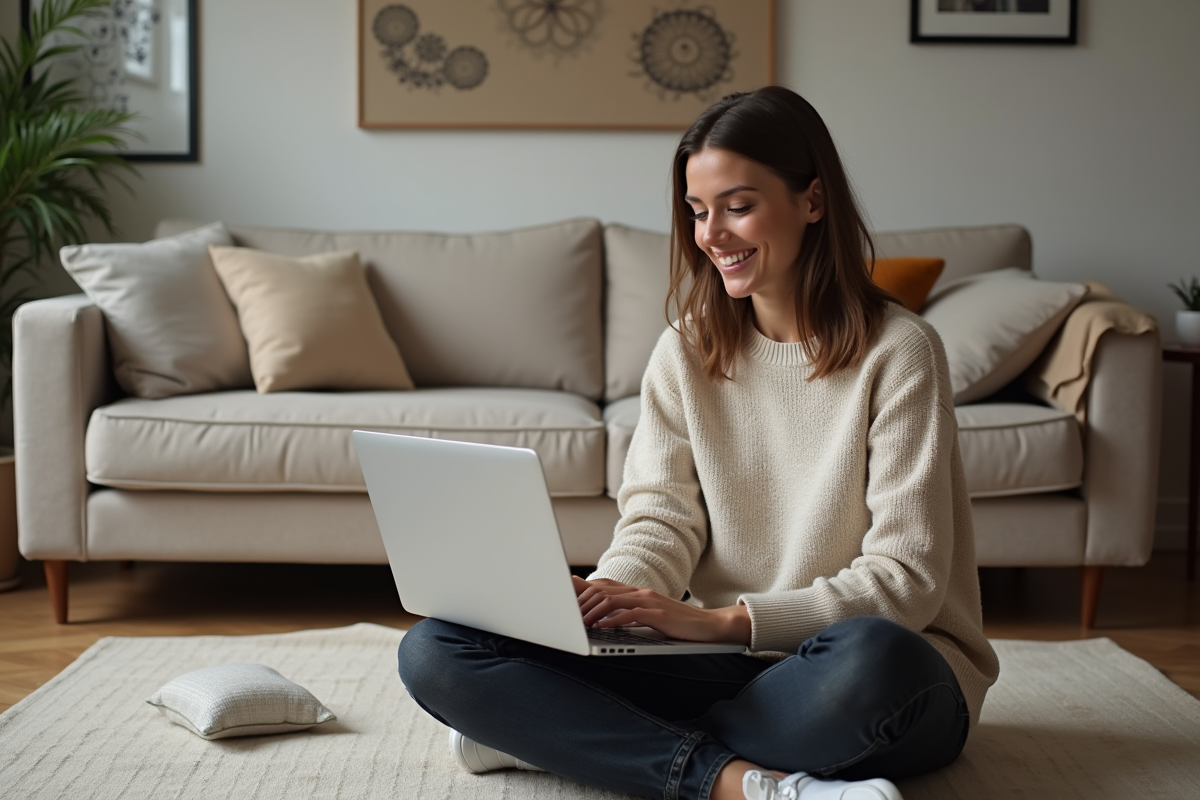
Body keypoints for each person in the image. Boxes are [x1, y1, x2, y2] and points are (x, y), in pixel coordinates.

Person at [397, 86, 999, 800]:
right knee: (438, 648)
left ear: (812, 201)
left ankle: (556, 738)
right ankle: (732, 782)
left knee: (874, 661)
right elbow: (659, 518)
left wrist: (719, 620)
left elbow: (906, 582)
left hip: (874, 665)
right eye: (696, 210)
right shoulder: (686, 349)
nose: (711, 234)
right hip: (729, 664)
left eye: (738, 205)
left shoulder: (900, 352)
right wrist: (609, 603)